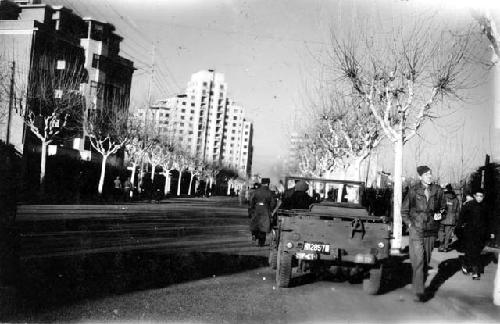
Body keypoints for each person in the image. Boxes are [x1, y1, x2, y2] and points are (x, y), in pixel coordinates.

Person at [402, 165, 446, 302]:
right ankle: (419, 291)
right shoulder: (413, 190)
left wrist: (440, 215)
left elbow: (443, 208)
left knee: (425, 261)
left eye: (430, 174)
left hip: (431, 230)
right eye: (427, 174)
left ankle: (418, 283)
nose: (429, 176)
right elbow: (404, 211)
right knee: (419, 259)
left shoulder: (437, 190)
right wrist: (409, 224)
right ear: (420, 176)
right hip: (416, 229)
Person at [456, 188, 490, 280]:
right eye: (477, 196)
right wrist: (458, 229)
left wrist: (491, 232)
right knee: (471, 251)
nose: (479, 198)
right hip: (469, 232)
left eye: (481, 196)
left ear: (483, 197)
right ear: (474, 196)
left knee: (477, 252)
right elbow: (461, 218)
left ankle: (471, 268)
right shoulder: (469, 205)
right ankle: (472, 269)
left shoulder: (485, 207)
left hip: (481, 234)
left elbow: (489, 220)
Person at [249, 178, 276, 246]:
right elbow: (273, 203)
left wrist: (252, 208)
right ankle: (261, 242)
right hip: (265, 210)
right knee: (263, 226)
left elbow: (251, 200)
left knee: (255, 223)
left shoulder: (256, 191)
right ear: (268, 183)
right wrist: (270, 209)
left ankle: (254, 234)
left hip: (257, 209)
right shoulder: (270, 192)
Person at [438, 184, 460, 252]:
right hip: (451, 219)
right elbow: (458, 211)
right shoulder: (456, 199)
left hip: (442, 218)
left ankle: (441, 245)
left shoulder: (442, 197)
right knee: (448, 233)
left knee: (441, 231)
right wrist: (456, 219)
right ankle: (445, 247)